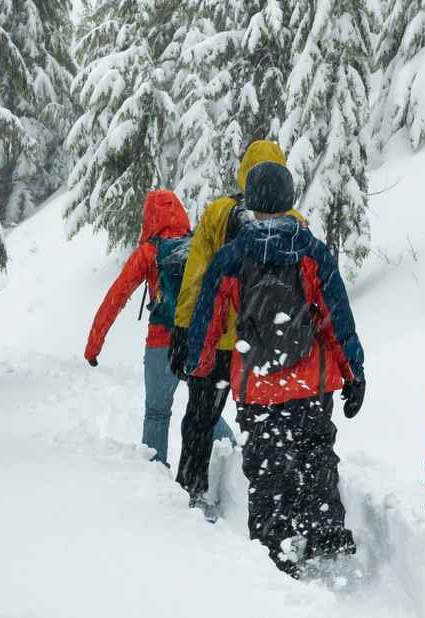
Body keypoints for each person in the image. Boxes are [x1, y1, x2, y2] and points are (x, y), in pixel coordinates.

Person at [186, 161, 366, 576]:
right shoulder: (312, 253)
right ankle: (324, 534)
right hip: (311, 382)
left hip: (257, 383)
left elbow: (207, 320)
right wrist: (353, 372)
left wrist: (200, 364)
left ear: (249, 202)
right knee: (315, 454)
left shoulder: (232, 257)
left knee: (266, 468)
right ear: (289, 199)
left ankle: (275, 549)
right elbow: (338, 318)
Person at [170, 140, 303, 507]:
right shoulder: (295, 222)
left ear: (245, 171)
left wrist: (183, 331)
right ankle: (276, 504)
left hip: (217, 340)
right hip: (267, 346)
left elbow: (196, 277)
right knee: (271, 428)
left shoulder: (217, 213)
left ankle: (191, 489)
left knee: (199, 418)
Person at [83, 189, 231, 465]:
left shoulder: (148, 253)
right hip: (197, 341)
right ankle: (231, 457)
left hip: (161, 343)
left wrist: (93, 347)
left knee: (157, 413)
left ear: (149, 218)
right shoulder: (198, 245)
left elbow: (115, 298)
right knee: (204, 408)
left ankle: (156, 479)